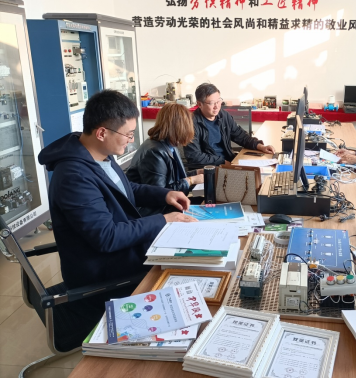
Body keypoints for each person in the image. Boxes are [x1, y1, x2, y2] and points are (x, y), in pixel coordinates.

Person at [38, 90, 197, 293]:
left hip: (126, 249)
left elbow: (124, 188)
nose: (131, 140)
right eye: (128, 134)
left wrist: (164, 194)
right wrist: (164, 220)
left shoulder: (101, 154)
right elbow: (107, 236)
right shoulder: (73, 177)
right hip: (105, 272)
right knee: (189, 272)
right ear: (102, 133)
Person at [127, 103, 204, 216]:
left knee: (207, 202)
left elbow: (172, 178)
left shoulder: (169, 144)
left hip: (164, 205)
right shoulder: (154, 152)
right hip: (153, 211)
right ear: (180, 127)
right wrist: (191, 180)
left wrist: (196, 173)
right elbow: (160, 194)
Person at [183, 83, 275, 166]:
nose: (217, 106)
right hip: (208, 168)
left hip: (228, 162)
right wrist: (222, 162)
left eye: (218, 101)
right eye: (211, 103)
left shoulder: (224, 116)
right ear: (199, 104)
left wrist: (261, 146)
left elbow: (241, 136)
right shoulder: (191, 124)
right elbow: (194, 156)